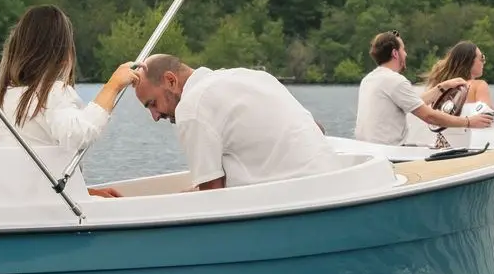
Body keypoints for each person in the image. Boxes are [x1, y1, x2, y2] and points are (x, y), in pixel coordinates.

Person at [127, 54, 343, 191]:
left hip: (296, 198)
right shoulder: (251, 76)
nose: (155, 116)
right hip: (333, 183)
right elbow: (317, 128)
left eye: (153, 104)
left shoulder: (192, 107)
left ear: (171, 80)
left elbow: (213, 198)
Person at [0, 5, 136, 156]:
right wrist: (113, 86)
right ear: (64, 57)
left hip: (6, 179)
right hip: (46, 179)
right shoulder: (53, 93)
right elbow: (78, 135)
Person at [354, 31, 494, 145]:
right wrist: (469, 122)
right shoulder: (395, 81)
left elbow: (415, 102)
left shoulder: (369, 79)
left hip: (370, 148)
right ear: (395, 53)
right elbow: (429, 116)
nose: (406, 54)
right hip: (391, 152)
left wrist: (443, 86)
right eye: (403, 49)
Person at [422, 40, 494, 111]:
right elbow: (486, 115)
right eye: (482, 58)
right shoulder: (479, 85)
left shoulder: (442, 91)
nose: (484, 62)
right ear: (469, 61)